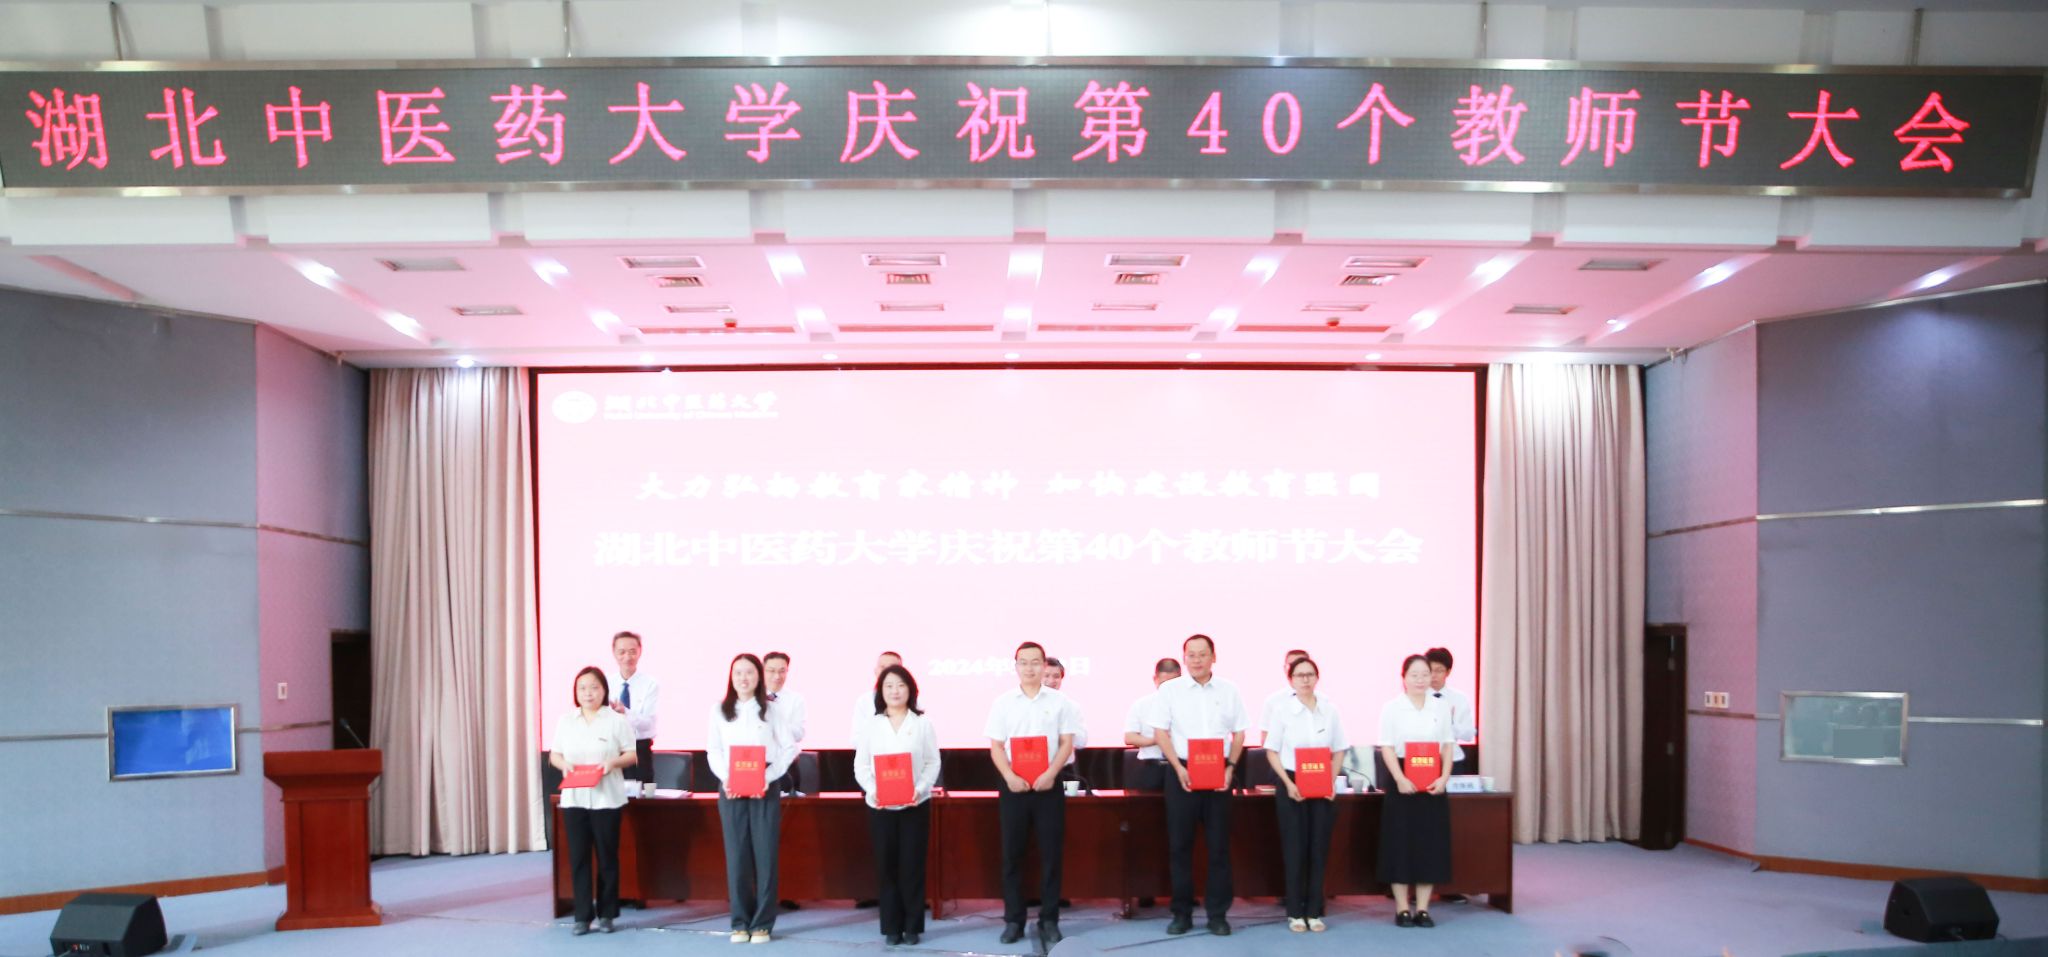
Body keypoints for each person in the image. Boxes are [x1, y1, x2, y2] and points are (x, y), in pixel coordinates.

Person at [1148, 633, 1249, 936]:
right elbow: (1161, 732)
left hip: (1219, 773)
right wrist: (1177, 767)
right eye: (1191, 655)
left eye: (1202, 654)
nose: (1196, 660)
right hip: (1182, 772)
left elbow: (1239, 733)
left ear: (1213, 657)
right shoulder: (1170, 690)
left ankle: (1218, 915)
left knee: (1219, 847)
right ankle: (1182, 913)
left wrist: (1230, 767)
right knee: (1180, 846)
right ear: (1184, 658)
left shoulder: (1229, 690)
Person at [984, 640, 1083, 945]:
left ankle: (1049, 919)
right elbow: (996, 747)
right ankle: (1013, 920)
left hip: (1048, 786)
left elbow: (1066, 743)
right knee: (1012, 855)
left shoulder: (1061, 702)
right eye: (1023, 662)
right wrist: (1009, 777)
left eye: (1035, 662)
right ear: (1016, 667)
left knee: (1051, 855)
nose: (1029, 668)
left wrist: (1050, 774)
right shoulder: (1003, 703)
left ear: (1044, 665)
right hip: (1013, 786)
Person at [708, 653, 795, 944]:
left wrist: (767, 777)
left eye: (749, 673)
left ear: (758, 677)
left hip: (764, 787)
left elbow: (788, 748)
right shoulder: (719, 710)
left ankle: (762, 924)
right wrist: (727, 779)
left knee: (765, 855)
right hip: (731, 788)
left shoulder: (771, 710)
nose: (743, 678)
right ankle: (740, 922)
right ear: (731, 677)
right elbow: (714, 751)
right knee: (737, 856)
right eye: (738, 673)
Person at [852, 663, 942, 946]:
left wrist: (919, 789)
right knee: (886, 866)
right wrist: (874, 790)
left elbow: (932, 762)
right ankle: (892, 927)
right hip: (880, 807)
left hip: (916, 805)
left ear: (911, 690)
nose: (895, 691)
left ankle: (912, 927)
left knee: (912, 866)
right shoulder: (871, 725)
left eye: (901, 685)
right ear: (880, 691)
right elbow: (861, 766)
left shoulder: (922, 724)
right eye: (889, 686)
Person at [550, 666, 639, 935]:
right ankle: (582, 916)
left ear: (604, 690)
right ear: (575, 692)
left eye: (594, 687)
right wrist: (563, 765)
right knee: (578, 858)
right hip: (574, 798)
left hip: (607, 799)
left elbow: (631, 755)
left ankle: (607, 913)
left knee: (607, 857)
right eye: (582, 688)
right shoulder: (566, 721)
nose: (588, 693)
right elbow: (555, 754)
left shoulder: (616, 720)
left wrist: (612, 763)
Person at [1263, 656, 1347, 933]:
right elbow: (1271, 751)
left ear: (1317, 678)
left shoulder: (1329, 710)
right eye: (1300, 675)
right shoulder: (1282, 711)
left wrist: (1330, 782)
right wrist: (1288, 783)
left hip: (1322, 784)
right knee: (1295, 849)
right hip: (1292, 784)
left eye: (1310, 674)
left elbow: (1339, 749)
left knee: (1318, 848)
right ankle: (1295, 912)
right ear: (1291, 680)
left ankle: (1314, 911)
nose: (1305, 679)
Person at [1378, 653, 1457, 929]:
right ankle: (1402, 908)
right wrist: (1399, 778)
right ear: (1404, 678)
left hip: (1433, 781)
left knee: (1429, 844)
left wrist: (1444, 777)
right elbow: (1387, 747)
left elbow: (1447, 745)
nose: (1421, 680)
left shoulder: (1441, 707)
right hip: (1402, 779)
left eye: (1425, 674)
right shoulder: (1392, 708)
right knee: (1399, 843)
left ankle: (1423, 909)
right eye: (1415, 675)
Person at [608, 631, 658, 787]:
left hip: (639, 750)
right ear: (614, 653)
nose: (627, 657)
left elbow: (648, 723)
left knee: (639, 795)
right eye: (622, 652)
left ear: (640, 652)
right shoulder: (606, 683)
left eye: (632, 652)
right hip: (612, 750)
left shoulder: (650, 684)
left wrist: (625, 712)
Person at [1122, 657, 1181, 790]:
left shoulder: (1189, 705)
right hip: (1151, 765)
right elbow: (1129, 737)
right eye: (1164, 684)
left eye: (1172, 684)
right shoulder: (1141, 705)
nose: (1168, 689)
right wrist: (1158, 740)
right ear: (1155, 679)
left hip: (1182, 764)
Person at [1424, 647, 1476, 770]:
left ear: (1448, 672)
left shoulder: (1459, 699)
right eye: (1430, 670)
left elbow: (1469, 735)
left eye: (1439, 670)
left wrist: (1451, 724)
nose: (1434, 675)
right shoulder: (1416, 697)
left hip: (1453, 759)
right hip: (1423, 759)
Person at [762, 651, 808, 792]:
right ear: (763, 670)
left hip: (787, 764)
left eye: (782, 671)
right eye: (771, 671)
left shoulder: (796, 699)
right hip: (758, 763)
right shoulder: (752, 698)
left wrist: (774, 726)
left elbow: (799, 733)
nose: (777, 676)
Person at [1255, 649, 1312, 747]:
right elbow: (1266, 740)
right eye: (1291, 665)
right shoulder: (1273, 702)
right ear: (1285, 668)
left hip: (1315, 755)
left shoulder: (1323, 701)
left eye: (1300, 664)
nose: (1296, 669)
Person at [853, 650, 903, 742]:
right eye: (883, 667)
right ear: (875, 671)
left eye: (892, 668)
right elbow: (856, 739)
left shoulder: (913, 700)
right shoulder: (864, 701)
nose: (887, 672)